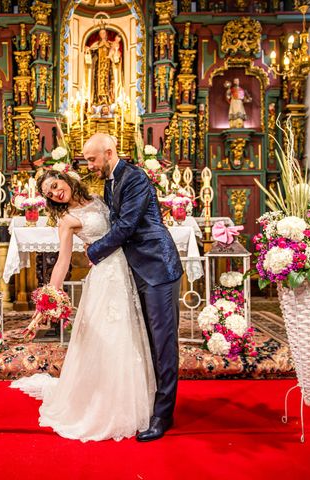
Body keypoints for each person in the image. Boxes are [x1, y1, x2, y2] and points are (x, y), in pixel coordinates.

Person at [10, 166, 156, 442]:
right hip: (104, 279)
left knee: (131, 336)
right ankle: (104, 406)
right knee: (109, 339)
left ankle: (133, 399)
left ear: (65, 178)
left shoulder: (100, 199)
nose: (55, 193)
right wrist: (45, 306)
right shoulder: (67, 220)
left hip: (127, 270)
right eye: (48, 194)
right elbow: (62, 261)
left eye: (54, 185)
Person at [84, 133, 183, 441]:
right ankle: (151, 403)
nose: (89, 165)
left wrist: (94, 251)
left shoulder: (135, 178)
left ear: (110, 152)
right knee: (147, 341)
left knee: (163, 343)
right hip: (136, 267)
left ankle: (163, 417)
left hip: (157, 267)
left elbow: (127, 226)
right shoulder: (110, 181)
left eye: (92, 159)